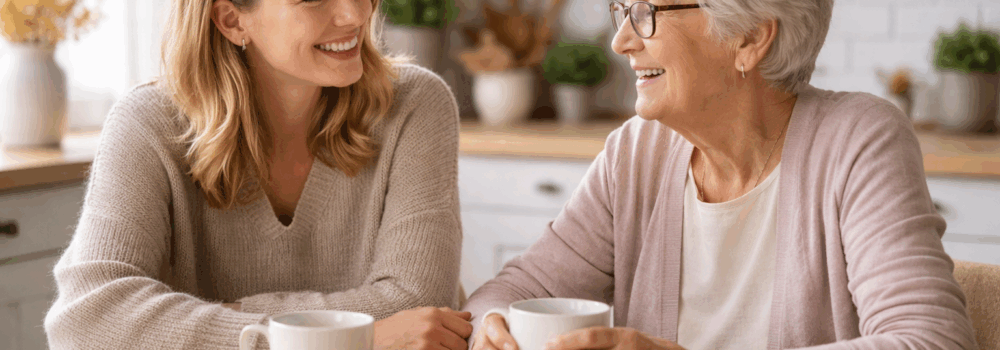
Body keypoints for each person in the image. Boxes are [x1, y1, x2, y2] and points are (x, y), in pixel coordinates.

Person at [463, 0, 978, 349]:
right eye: (622, 8)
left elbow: (929, 340)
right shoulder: (635, 154)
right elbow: (511, 290)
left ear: (750, 38)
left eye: (647, 13)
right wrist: (497, 329)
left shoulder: (858, 140)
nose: (621, 41)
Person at [43, 0, 472, 349]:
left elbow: (421, 307)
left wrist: (215, 320)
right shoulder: (147, 125)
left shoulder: (415, 106)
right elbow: (88, 319)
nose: (355, 15)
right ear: (231, 20)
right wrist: (335, 339)